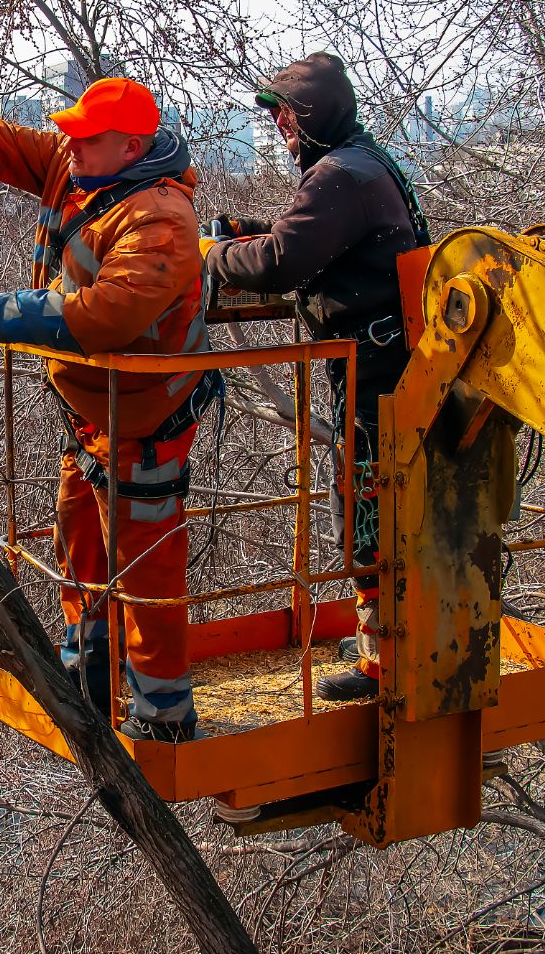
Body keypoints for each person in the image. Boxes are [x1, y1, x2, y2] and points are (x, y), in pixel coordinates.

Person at [0, 62, 214, 742]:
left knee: (143, 565)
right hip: (90, 409)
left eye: (89, 138)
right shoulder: (82, 168)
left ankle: (164, 712)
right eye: (74, 136)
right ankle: (89, 667)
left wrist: (10, 314)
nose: (72, 145)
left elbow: (110, 312)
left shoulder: (162, 218)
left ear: (133, 149)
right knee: (78, 538)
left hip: (146, 417)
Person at [204, 52, 430, 701]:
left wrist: (215, 255)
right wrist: (250, 232)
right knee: (375, 506)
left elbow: (281, 262)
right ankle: (382, 643)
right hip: (390, 360)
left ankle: (383, 664)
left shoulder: (339, 175)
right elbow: (306, 239)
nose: (280, 130)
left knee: (366, 511)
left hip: (375, 369)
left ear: (310, 115)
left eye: (285, 118)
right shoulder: (365, 162)